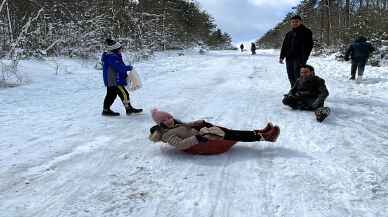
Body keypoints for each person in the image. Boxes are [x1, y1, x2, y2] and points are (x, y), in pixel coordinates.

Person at [148, 109, 280, 155]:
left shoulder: (175, 125)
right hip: (200, 143)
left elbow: (186, 126)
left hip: (202, 135)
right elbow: (180, 145)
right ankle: (265, 137)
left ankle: (260, 133)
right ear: (160, 123)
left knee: (229, 132)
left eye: (169, 117)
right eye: (165, 120)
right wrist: (197, 139)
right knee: (230, 135)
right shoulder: (167, 134)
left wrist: (197, 123)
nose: (169, 120)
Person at [101, 39, 143, 116]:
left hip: (111, 80)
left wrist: (125, 76)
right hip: (114, 80)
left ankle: (106, 110)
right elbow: (119, 68)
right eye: (120, 48)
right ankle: (129, 109)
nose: (121, 49)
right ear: (115, 50)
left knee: (111, 95)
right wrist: (129, 68)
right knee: (124, 94)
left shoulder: (113, 56)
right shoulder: (111, 57)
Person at [280, 15, 314, 87]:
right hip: (289, 57)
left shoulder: (306, 32)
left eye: (296, 22)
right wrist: (282, 56)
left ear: (300, 22)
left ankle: (301, 90)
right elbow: (284, 46)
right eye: (293, 22)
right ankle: (293, 90)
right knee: (290, 74)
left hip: (299, 58)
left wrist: (305, 56)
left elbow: (309, 46)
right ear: (290, 23)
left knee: (298, 75)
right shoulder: (289, 34)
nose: (294, 23)